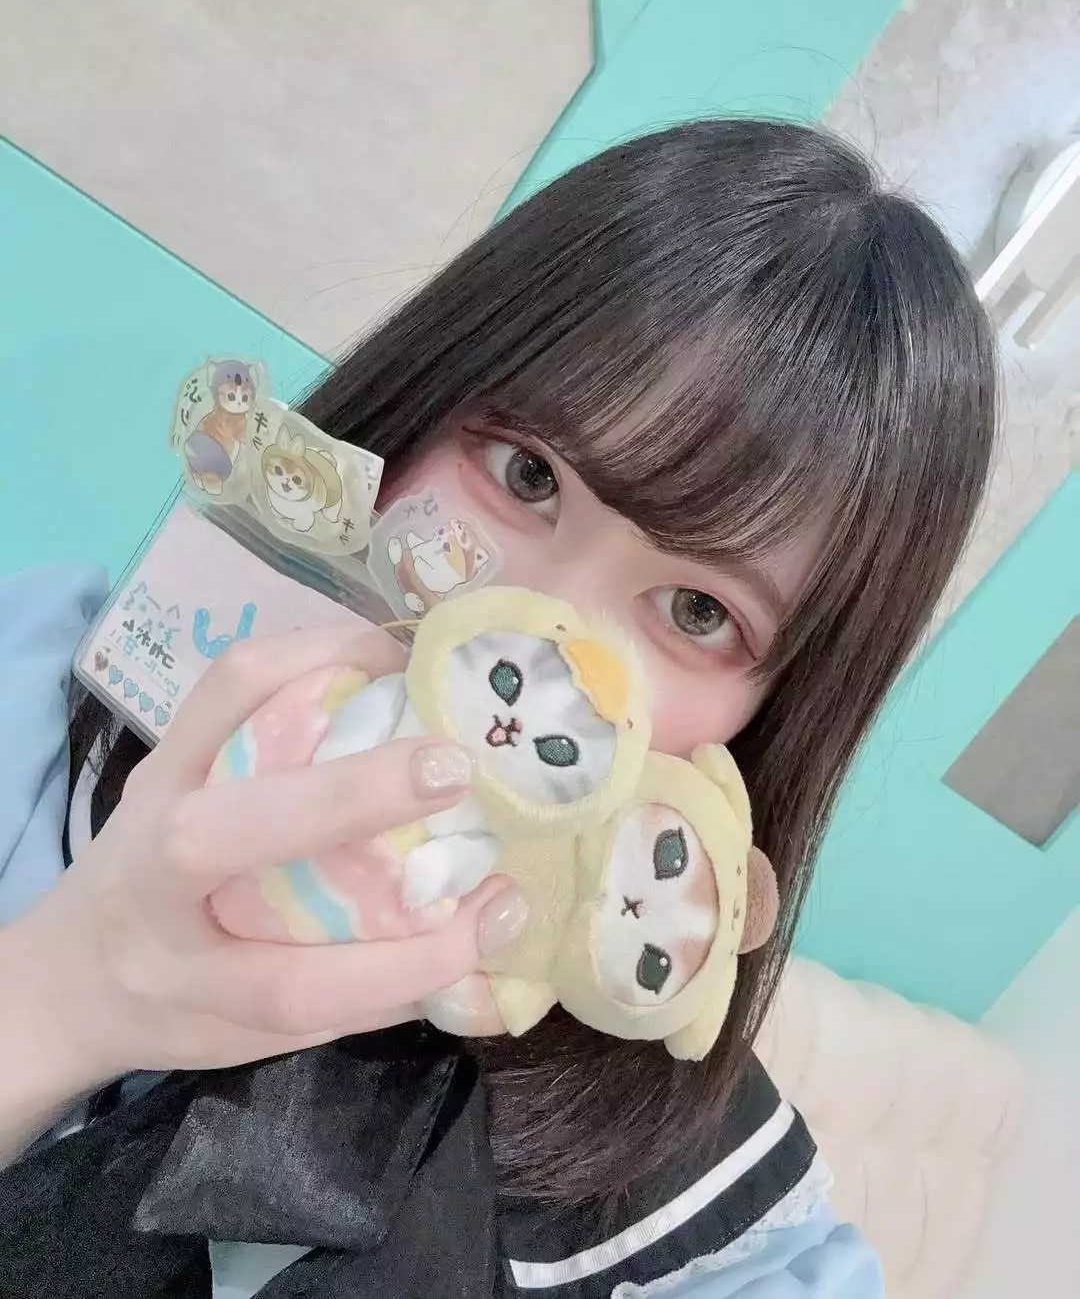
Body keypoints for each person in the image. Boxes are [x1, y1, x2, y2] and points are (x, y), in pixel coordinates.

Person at [0, 119, 995, 1297]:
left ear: (768, 718)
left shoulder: (705, 1209)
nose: (538, 632)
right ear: (417, 412)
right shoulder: (40, 703)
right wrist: (60, 998)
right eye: (528, 475)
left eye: (696, 611)